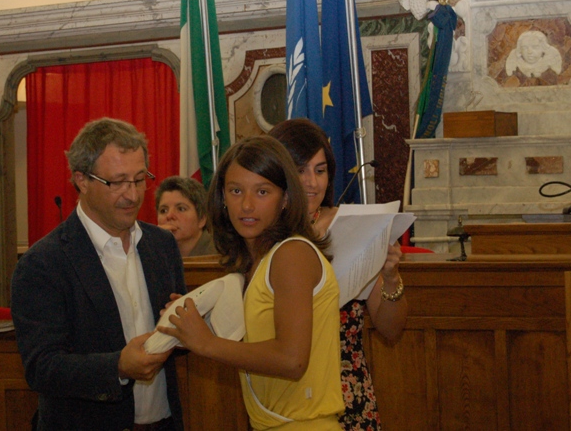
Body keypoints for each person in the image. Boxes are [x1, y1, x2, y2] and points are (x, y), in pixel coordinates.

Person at [11, 117, 187, 431]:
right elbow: (42, 367)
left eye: (139, 179)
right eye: (117, 182)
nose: (132, 195)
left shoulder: (162, 245)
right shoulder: (43, 262)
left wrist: (186, 326)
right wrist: (117, 367)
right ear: (82, 180)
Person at [159, 135, 344, 430]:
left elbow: (292, 360)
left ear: (285, 198)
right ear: (221, 198)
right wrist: (190, 326)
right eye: (236, 191)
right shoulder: (256, 259)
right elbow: (258, 346)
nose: (246, 205)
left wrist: (207, 343)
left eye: (262, 191)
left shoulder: (292, 253)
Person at [269, 118, 408, 431]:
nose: (312, 183)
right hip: (284, 393)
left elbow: (391, 329)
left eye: (320, 171)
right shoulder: (263, 235)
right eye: (300, 170)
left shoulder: (352, 226)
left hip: (348, 394)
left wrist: (390, 277)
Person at [155, 176, 217, 258]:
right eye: (163, 210)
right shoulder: (153, 252)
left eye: (181, 209)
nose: (169, 216)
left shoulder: (220, 255)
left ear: (202, 219)